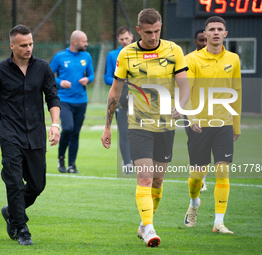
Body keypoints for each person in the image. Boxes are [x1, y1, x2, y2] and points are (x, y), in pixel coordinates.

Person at [101, 8, 190, 247]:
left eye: (157, 31)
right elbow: (115, 91)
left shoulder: (174, 50)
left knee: (158, 181)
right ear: (138, 30)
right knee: (144, 177)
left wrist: (181, 106)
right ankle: (150, 229)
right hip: (138, 123)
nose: (153, 36)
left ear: (161, 27)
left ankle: (143, 223)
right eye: (148, 32)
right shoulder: (127, 54)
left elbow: (184, 86)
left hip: (165, 124)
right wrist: (107, 126)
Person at [0, 24, 60, 245]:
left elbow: (52, 97)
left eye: (31, 43)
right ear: (12, 46)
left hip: (36, 135)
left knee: (37, 185)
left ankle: (11, 211)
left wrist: (55, 124)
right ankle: (22, 229)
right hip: (10, 135)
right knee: (13, 182)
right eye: (23, 45)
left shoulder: (43, 68)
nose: (29, 48)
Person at [183, 16, 241, 234]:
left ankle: (218, 222)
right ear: (204, 35)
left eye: (220, 29)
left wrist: (236, 125)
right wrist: (192, 117)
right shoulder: (192, 60)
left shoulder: (234, 59)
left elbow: (237, 92)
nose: (216, 32)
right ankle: (194, 203)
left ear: (225, 34)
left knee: (223, 172)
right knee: (197, 176)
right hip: (198, 124)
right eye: (212, 29)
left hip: (224, 123)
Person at [50, 30, 94, 174]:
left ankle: (72, 165)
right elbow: (48, 75)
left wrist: (88, 79)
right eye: (84, 41)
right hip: (64, 100)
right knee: (67, 128)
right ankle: (61, 158)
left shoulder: (86, 56)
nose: (86, 44)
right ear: (75, 42)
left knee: (75, 133)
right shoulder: (60, 56)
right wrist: (60, 82)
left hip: (81, 100)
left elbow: (92, 74)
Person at [104, 26, 134, 174]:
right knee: (124, 132)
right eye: (121, 39)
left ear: (132, 37)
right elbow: (107, 77)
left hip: (140, 99)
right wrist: (122, 81)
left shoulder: (139, 53)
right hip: (121, 100)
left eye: (126, 38)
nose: (124, 41)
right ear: (118, 40)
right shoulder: (112, 55)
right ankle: (127, 163)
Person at [185, 29, 208, 192]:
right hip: (192, 111)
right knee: (195, 146)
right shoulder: (188, 60)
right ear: (195, 42)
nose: (205, 43)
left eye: (206, 40)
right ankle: (197, 178)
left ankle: (202, 179)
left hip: (213, 111)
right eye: (201, 40)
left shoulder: (220, 60)